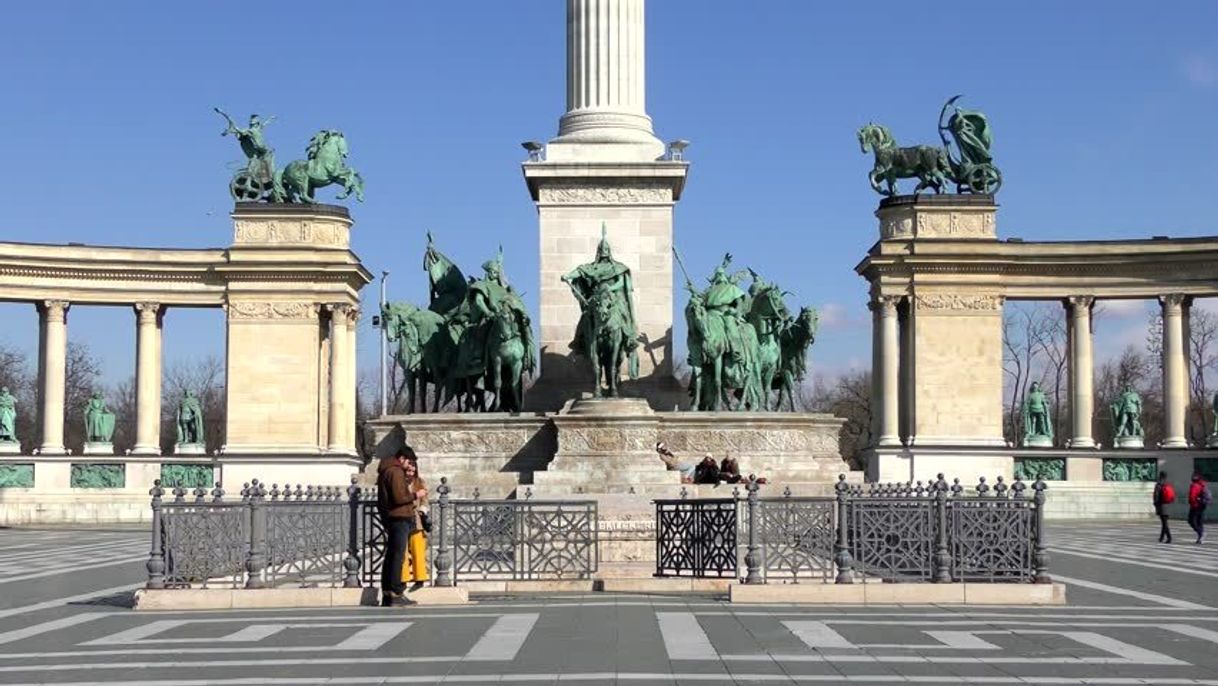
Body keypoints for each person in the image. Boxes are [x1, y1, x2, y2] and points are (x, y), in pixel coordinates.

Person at [377, 446, 426, 606]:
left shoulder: (387, 470)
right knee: (398, 556)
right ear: (402, 458)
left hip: (392, 517)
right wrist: (415, 495)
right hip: (399, 517)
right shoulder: (396, 471)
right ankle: (396, 592)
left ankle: (387, 593)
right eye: (409, 461)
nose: (409, 466)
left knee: (391, 556)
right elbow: (399, 497)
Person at [401, 458, 429, 592]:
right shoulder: (399, 482)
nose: (411, 473)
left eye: (413, 470)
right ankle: (404, 579)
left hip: (416, 519)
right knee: (403, 551)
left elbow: (425, 500)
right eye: (408, 470)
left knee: (418, 549)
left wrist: (422, 509)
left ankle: (420, 578)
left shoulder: (419, 482)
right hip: (403, 518)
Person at [1188, 472, 1211, 545]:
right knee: (1199, 522)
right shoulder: (1202, 484)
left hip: (1196, 506)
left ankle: (1201, 534)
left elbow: (1192, 496)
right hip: (1201, 505)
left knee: (1192, 521)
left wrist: (1193, 502)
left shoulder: (1195, 485)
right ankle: (1200, 537)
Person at [1153, 471, 1175, 544]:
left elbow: (1156, 495)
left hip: (1161, 505)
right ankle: (1161, 538)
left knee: (1164, 523)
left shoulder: (1159, 484)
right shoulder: (1167, 483)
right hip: (1167, 504)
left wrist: (1155, 504)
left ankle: (1169, 537)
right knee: (1164, 522)